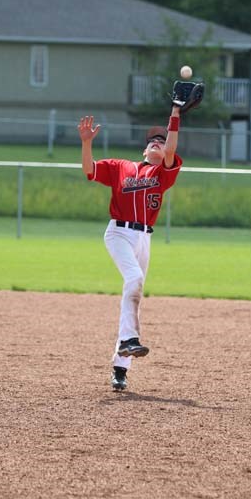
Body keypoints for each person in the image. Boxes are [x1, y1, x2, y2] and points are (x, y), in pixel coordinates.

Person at [78, 105, 182, 392]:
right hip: (119, 233)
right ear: (143, 151)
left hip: (144, 239)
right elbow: (89, 169)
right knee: (134, 280)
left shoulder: (163, 174)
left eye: (160, 141)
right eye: (152, 141)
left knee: (134, 298)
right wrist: (87, 143)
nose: (157, 143)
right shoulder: (121, 167)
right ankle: (127, 342)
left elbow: (172, 146)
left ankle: (120, 369)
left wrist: (175, 112)